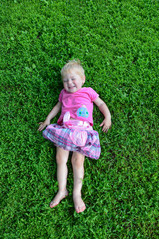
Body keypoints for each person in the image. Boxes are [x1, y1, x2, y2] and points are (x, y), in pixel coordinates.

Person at [38, 59, 111, 213]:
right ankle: (62, 190)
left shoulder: (88, 91)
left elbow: (101, 104)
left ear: (82, 80)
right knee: (60, 159)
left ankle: (76, 194)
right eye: (65, 81)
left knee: (77, 161)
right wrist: (48, 119)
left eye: (73, 79)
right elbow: (58, 106)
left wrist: (108, 117)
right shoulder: (63, 93)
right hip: (65, 129)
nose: (69, 83)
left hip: (82, 131)